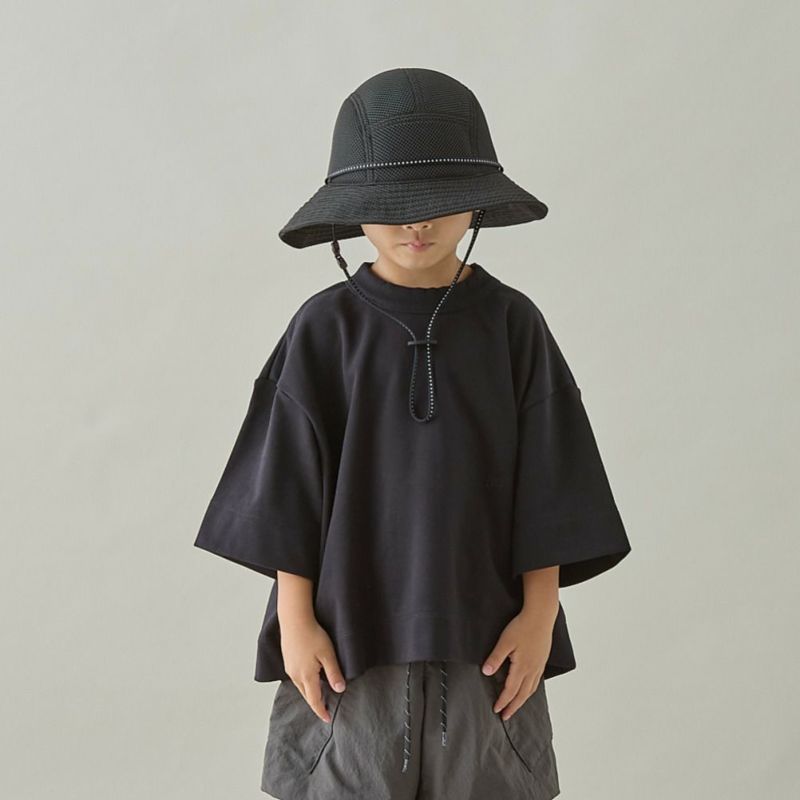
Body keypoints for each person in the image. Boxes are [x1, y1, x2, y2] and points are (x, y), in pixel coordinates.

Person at [194, 67, 632, 800]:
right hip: (346, 646)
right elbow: (288, 488)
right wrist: (295, 622)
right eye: (391, 207)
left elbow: (553, 483)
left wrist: (540, 614)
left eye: (434, 202)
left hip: (489, 642)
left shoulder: (512, 325)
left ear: (476, 201)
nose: (414, 225)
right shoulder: (324, 330)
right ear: (353, 211)